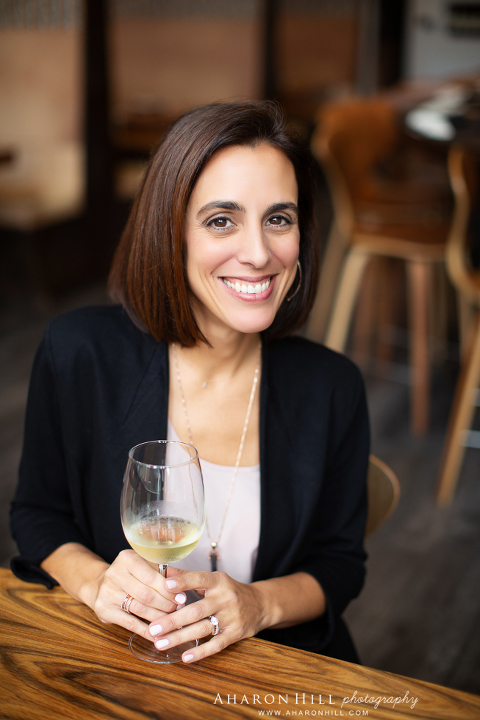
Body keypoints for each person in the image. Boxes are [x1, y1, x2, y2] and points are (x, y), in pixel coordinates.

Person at [10, 101, 369, 664]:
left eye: (279, 219)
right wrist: (96, 582)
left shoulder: (333, 387)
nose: (258, 254)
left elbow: (340, 564)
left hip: (275, 677)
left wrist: (258, 604)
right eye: (221, 220)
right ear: (170, 232)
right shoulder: (79, 352)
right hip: (114, 666)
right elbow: (37, 514)